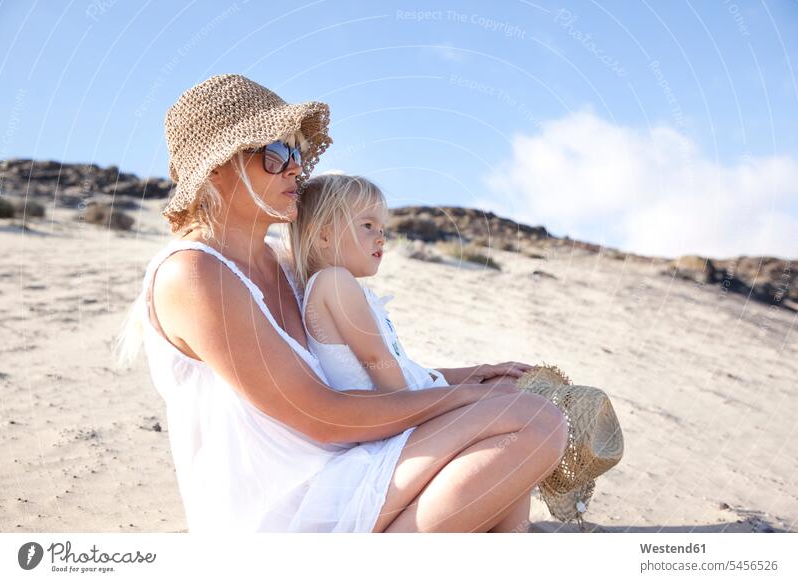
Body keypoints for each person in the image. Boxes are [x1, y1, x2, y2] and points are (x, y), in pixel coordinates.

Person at [116, 74, 568, 533]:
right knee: (535, 422)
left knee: (514, 436)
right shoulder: (194, 274)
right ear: (216, 168)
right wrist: (463, 398)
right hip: (284, 514)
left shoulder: (286, 266)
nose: (295, 167)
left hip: (344, 471)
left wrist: (466, 377)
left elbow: (348, 370)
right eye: (276, 153)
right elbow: (321, 415)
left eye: (296, 153)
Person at [290, 173, 449, 394]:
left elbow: (403, 367)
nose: (381, 237)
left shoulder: (335, 283)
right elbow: (375, 359)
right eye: (368, 225)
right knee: (509, 406)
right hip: (398, 414)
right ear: (323, 235)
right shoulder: (335, 281)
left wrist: (475, 374)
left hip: (410, 398)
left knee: (504, 387)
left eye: (382, 229)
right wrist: (421, 410)